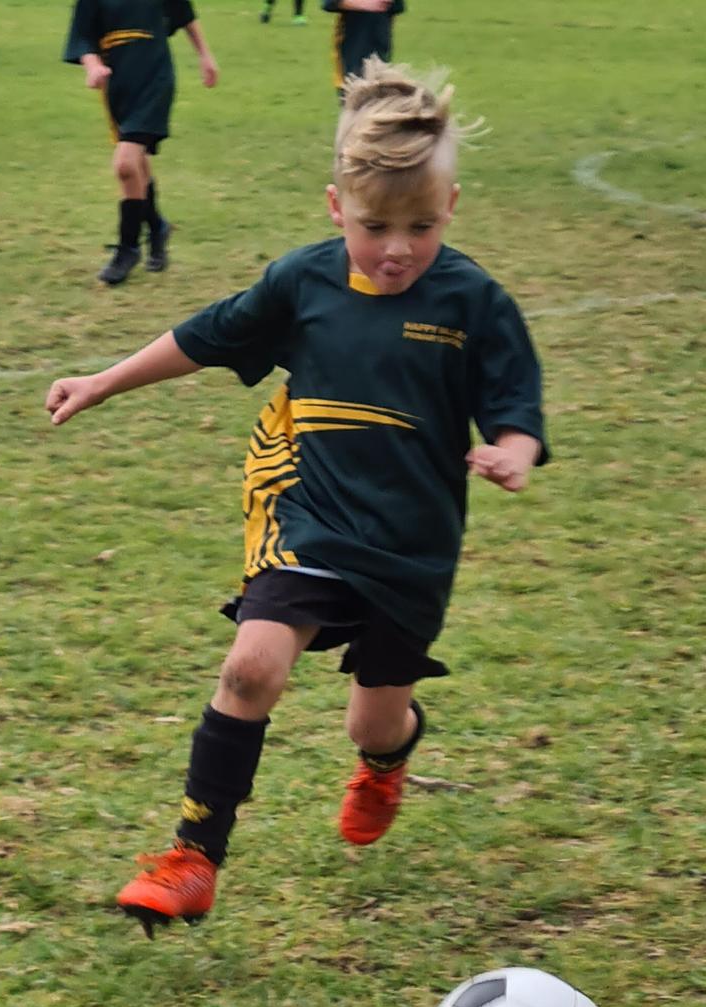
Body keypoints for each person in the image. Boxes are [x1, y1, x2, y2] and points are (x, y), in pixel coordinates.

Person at [45, 58, 548, 939]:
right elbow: (205, 336)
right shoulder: (304, 282)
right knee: (250, 668)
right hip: (308, 514)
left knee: (374, 717)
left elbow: (516, 403)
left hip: (412, 543)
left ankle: (388, 757)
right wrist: (103, 381)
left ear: (453, 207)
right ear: (334, 208)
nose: (396, 248)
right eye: (374, 226)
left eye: (421, 226)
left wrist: (512, 451)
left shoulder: (474, 300)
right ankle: (194, 856)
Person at [63, 0, 218, 286]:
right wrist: (92, 66)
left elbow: (184, 14)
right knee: (135, 162)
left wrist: (205, 56)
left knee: (124, 165)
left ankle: (128, 248)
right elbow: (82, 36)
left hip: (154, 78)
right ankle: (157, 227)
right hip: (117, 84)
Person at [321, 0, 404, 94]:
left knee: (378, 97)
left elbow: (397, 6)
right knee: (352, 95)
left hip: (380, 48)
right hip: (352, 50)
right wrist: (365, 3)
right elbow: (330, 3)